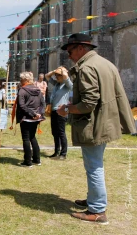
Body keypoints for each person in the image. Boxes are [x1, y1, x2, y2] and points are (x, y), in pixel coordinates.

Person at [57, 33, 136, 224]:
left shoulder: (86, 67)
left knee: (94, 168)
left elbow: (88, 103)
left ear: (81, 48)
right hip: (105, 121)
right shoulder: (105, 63)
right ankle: (94, 200)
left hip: (95, 124)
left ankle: (98, 210)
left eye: (70, 51)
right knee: (95, 165)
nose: (69, 56)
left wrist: (66, 109)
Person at [16, 72, 45, 167]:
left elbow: (22, 106)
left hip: (26, 118)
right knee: (32, 137)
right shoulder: (38, 90)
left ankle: (28, 161)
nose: (20, 81)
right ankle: (37, 160)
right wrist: (38, 114)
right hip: (35, 118)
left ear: (27, 80)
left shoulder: (22, 90)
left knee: (26, 139)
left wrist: (34, 114)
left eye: (22, 79)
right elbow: (43, 104)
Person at [45, 66, 73, 160]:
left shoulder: (67, 85)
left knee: (61, 133)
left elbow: (66, 77)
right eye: (56, 75)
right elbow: (47, 76)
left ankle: (63, 154)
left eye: (58, 75)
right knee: (55, 132)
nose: (56, 77)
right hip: (54, 110)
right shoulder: (57, 84)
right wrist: (54, 71)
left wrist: (63, 71)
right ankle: (56, 152)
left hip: (62, 111)